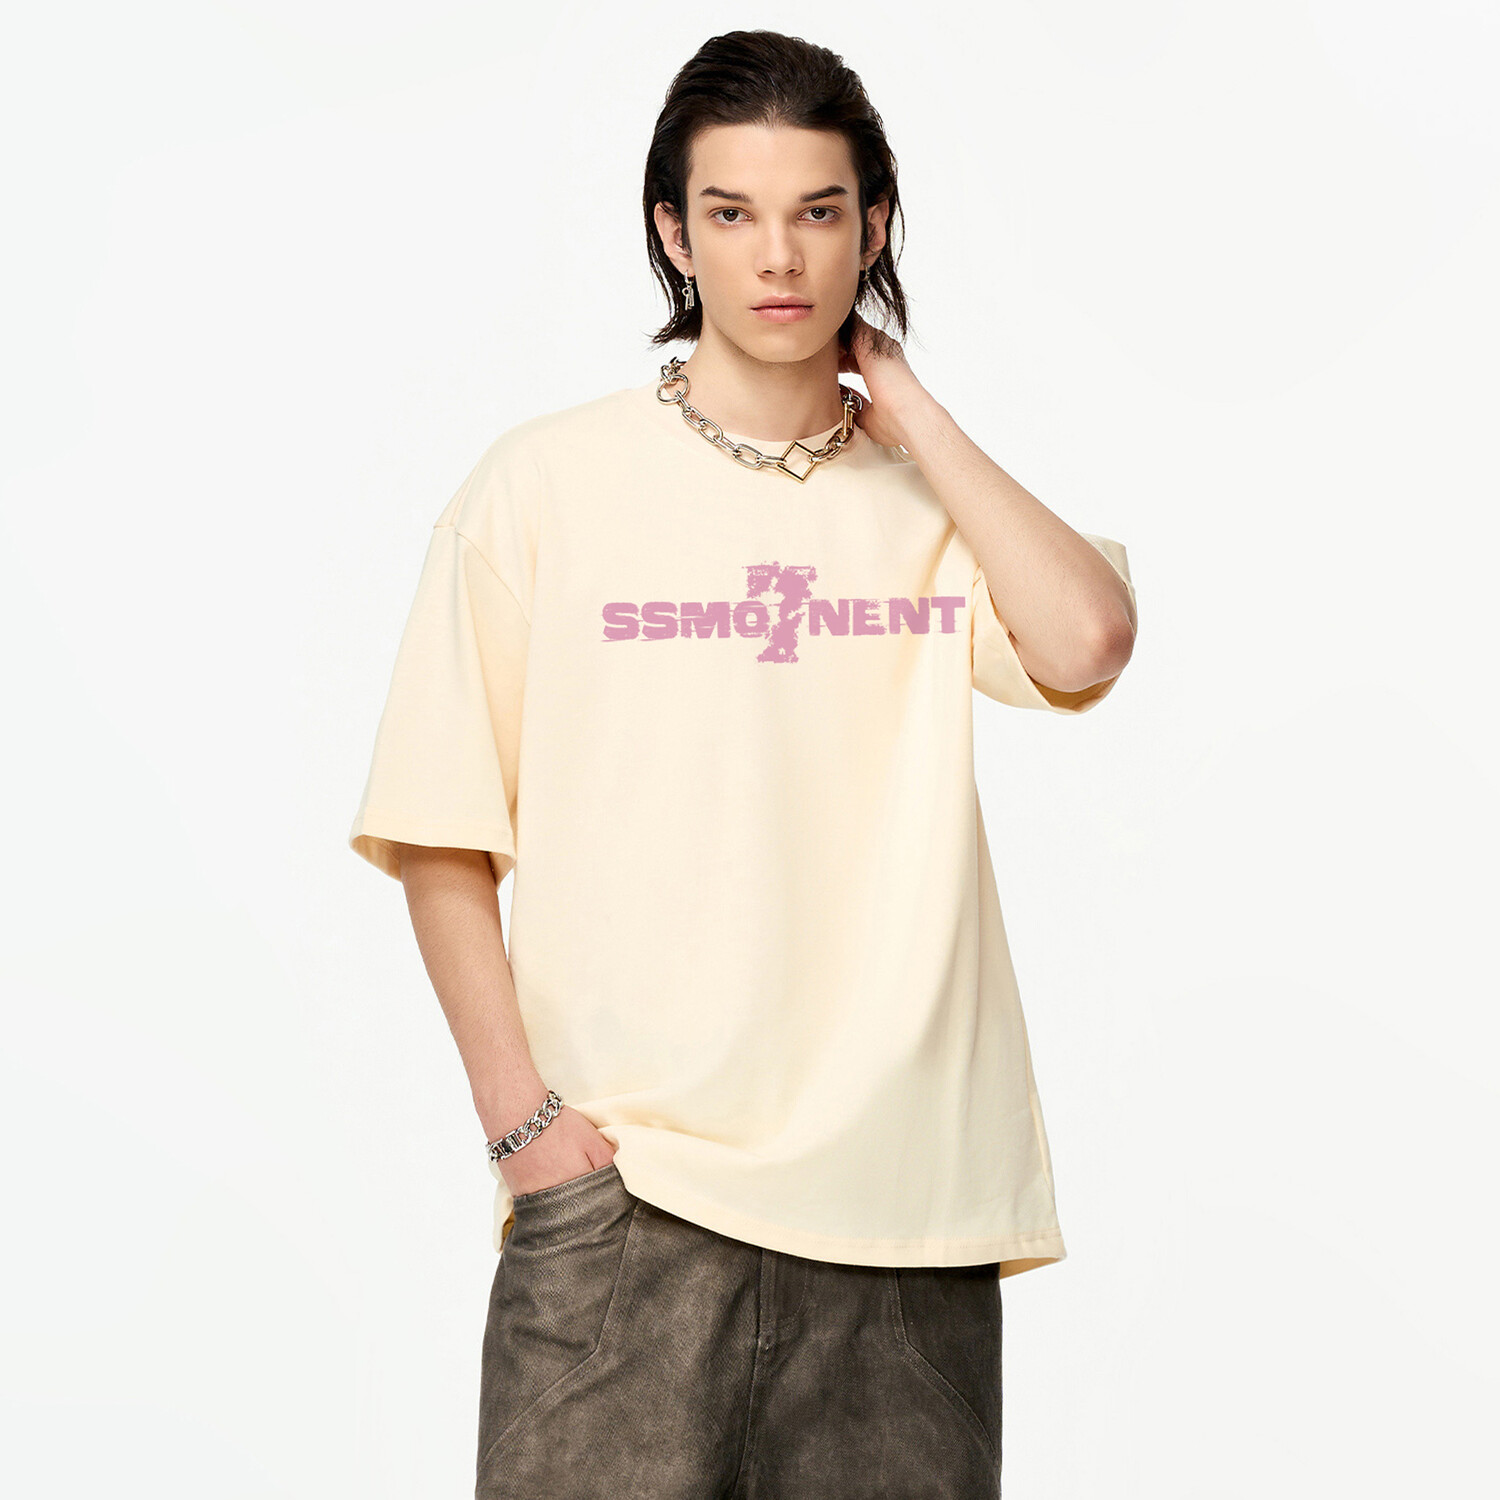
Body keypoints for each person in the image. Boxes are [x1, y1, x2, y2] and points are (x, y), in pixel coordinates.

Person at [348, 28, 1136, 1500]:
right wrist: (527, 1133)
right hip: (626, 1215)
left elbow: (1088, 636)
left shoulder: (931, 506)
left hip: (906, 1233)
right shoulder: (542, 488)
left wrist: (911, 413)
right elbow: (440, 833)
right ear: (674, 232)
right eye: (732, 213)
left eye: (819, 212)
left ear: (872, 228)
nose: (778, 255)